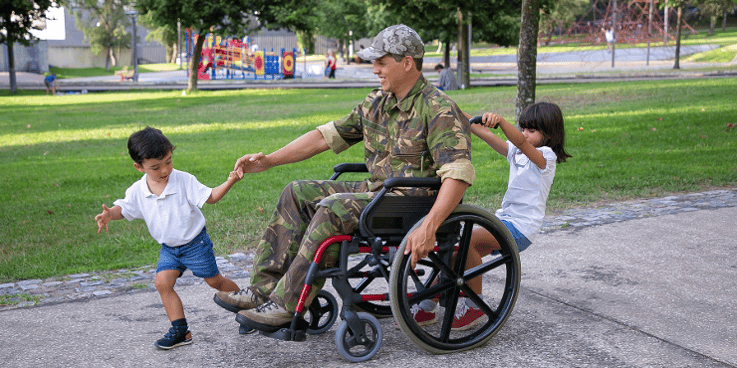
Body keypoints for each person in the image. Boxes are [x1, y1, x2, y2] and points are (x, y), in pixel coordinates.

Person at [213, 24, 475, 333]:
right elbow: (325, 137)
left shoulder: (438, 108)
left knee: (335, 207)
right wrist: (270, 160)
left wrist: (430, 225)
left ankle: (287, 304)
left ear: (407, 63)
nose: (374, 68)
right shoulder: (377, 102)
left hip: (412, 205)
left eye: (382, 61)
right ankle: (262, 290)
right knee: (296, 192)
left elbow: (457, 175)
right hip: (378, 194)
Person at [410, 102, 571, 330]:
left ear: (550, 134)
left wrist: (503, 122)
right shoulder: (517, 152)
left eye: (532, 130)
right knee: (456, 256)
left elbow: (521, 142)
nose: (525, 134)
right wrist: (452, 107)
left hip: (521, 228)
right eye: (523, 128)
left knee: (468, 243)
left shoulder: (546, 158)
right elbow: (482, 132)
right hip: (504, 222)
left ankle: (474, 307)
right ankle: (426, 306)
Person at [94, 126, 243, 349]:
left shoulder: (183, 180)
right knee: (162, 283)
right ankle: (181, 331)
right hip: (170, 249)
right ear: (138, 166)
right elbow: (124, 210)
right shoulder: (138, 190)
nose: (165, 170)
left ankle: (250, 308)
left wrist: (230, 181)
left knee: (215, 281)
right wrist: (109, 215)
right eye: (155, 167)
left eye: (168, 161)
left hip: (195, 244)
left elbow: (210, 197)